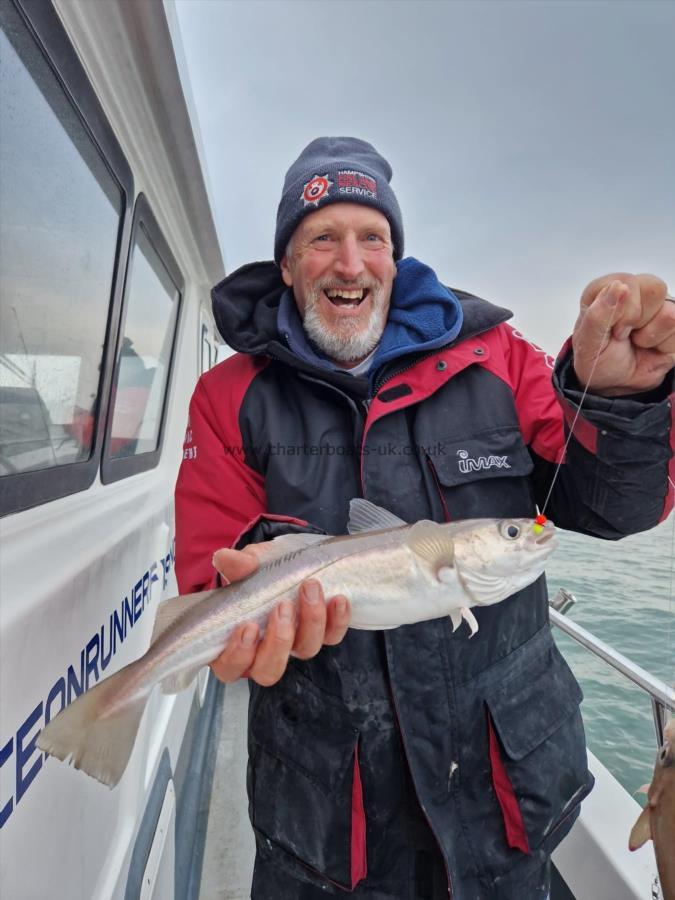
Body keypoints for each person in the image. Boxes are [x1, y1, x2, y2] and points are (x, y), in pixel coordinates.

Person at [175, 137, 674, 899]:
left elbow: (609, 506)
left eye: (371, 237)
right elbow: (212, 567)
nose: (350, 263)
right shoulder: (228, 395)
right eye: (321, 239)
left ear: (395, 257)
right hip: (324, 809)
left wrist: (619, 401)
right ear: (285, 264)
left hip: (504, 789)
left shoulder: (498, 357)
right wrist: (246, 613)